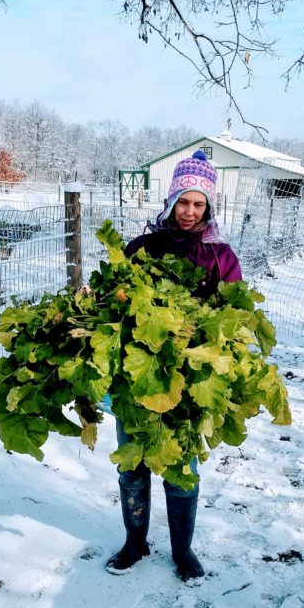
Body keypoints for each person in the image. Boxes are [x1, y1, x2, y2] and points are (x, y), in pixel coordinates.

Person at [106, 149, 243, 584]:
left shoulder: (221, 256)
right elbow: (116, 302)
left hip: (191, 379)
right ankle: (135, 542)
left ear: (209, 206)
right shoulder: (141, 248)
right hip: (138, 376)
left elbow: (235, 318)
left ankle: (183, 551)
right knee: (132, 462)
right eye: (183, 201)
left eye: (198, 203)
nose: (189, 211)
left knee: (182, 468)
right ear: (170, 200)